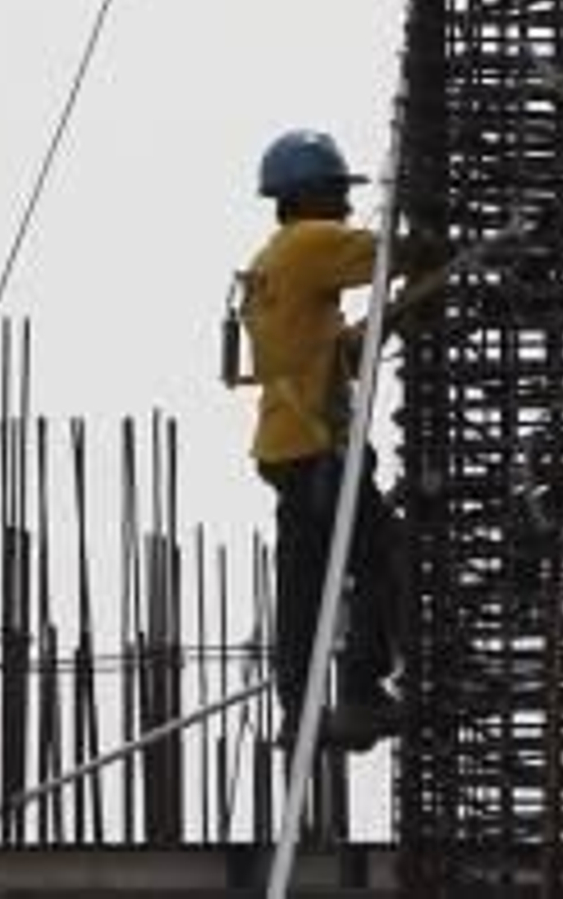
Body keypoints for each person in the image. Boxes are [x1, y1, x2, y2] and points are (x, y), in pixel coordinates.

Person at [236, 128, 404, 752]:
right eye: (337, 194)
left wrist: (391, 319)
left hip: (286, 450)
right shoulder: (311, 242)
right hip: (317, 452)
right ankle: (361, 691)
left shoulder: (271, 261)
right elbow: (398, 253)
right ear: (309, 196)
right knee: (384, 559)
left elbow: (328, 358)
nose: (347, 207)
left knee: (304, 588)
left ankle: (298, 708)